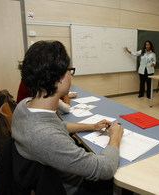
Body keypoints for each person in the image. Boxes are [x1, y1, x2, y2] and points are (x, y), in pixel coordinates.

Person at [12, 40, 124, 195]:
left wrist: (92, 126)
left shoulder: (24, 106)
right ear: (59, 79)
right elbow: (104, 169)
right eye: (69, 70)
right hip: (76, 188)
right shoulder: (45, 136)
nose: (71, 75)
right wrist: (115, 137)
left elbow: (58, 126)